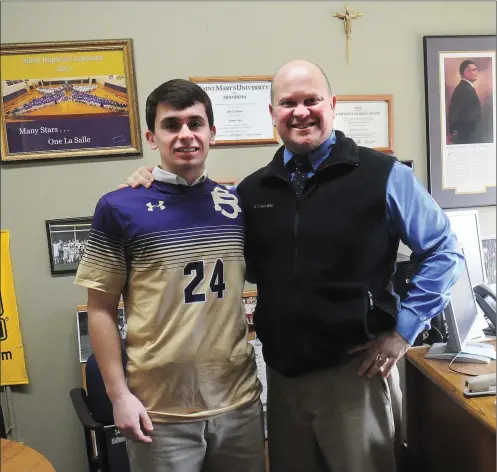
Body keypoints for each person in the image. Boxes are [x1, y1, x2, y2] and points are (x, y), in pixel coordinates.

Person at [125, 60, 463, 472]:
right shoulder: (253, 190)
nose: (300, 111)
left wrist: (403, 332)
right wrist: (155, 180)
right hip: (283, 379)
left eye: (311, 100)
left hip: (357, 375)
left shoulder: (384, 176)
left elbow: (445, 251)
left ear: (332, 105)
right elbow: (226, 254)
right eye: (288, 103)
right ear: (273, 115)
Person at [75, 79, 264, 472]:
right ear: (151, 136)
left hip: (238, 404)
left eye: (195, 123)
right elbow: (100, 310)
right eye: (171, 125)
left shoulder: (237, 205)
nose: (185, 135)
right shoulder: (119, 206)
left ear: (213, 133)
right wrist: (118, 396)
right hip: (158, 412)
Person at [448, 59, 484, 144]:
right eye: (474, 70)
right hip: (468, 137)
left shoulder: (465, 88)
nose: (477, 72)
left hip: (469, 136)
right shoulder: (464, 89)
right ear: (466, 72)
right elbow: (463, 116)